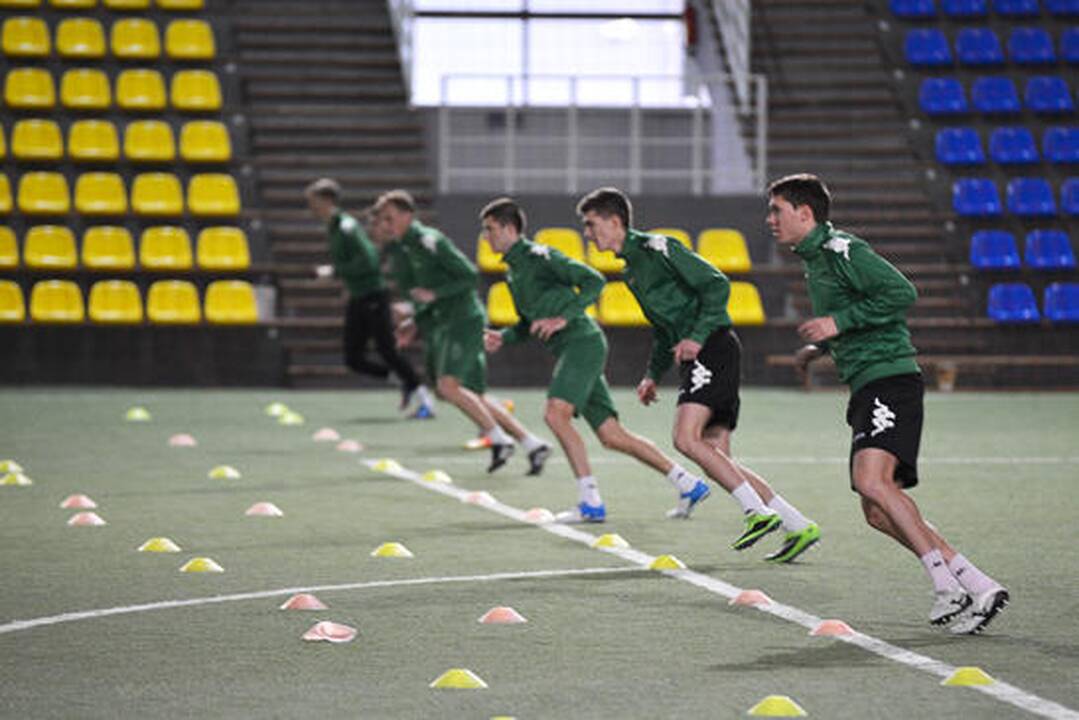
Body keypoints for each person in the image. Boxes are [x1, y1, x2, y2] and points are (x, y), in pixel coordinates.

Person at [767, 173, 1008, 633]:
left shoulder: (842, 250)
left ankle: (944, 586)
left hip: (890, 380)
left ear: (805, 213)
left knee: (870, 480)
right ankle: (977, 584)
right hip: (866, 384)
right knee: (876, 509)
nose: (770, 220)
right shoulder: (814, 259)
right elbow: (855, 319)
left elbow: (901, 293)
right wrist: (819, 349)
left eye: (777, 210)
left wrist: (837, 323)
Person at [576, 187, 820, 561]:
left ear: (614, 221)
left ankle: (758, 513)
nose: (588, 234)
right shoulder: (632, 273)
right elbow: (662, 330)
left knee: (685, 439)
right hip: (702, 352)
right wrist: (652, 374)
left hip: (713, 347)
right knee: (718, 457)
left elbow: (717, 283)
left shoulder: (658, 249)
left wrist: (696, 335)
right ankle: (798, 524)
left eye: (591, 225)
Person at [480, 197, 711, 523]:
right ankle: (687, 483)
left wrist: (564, 317)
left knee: (554, 415)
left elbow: (593, 280)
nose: (485, 237)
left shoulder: (539, 256)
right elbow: (530, 323)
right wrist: (503, 336)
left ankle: (590, 502)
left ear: (508, 228)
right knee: (611, 435)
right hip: (572, 348)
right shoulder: (515, 272)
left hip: (581, 343)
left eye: (489, 229)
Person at [374, 189, 551, 475]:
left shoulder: (428, 240)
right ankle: (532, 444)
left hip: (462, 319)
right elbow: (423, 296)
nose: (385, 224)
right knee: (472, 394)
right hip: (444, 322)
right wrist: (415, 321)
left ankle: (498, 439)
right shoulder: (404, 248)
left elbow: (468, 275)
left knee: (448, 386)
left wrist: (435, 294)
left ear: (408, 216)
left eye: (389, 218)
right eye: (382, 219)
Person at [304, 178, 434, 417]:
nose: (311, 207)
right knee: (353, 358)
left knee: (387, 350)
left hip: (373, 294)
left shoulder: (346, 226)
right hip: (359, 295)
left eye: (313, 202)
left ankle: (424, 397)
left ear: (326, 201)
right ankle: (402, 381)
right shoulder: (334, 227)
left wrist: (335, 272)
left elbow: (370, 259)